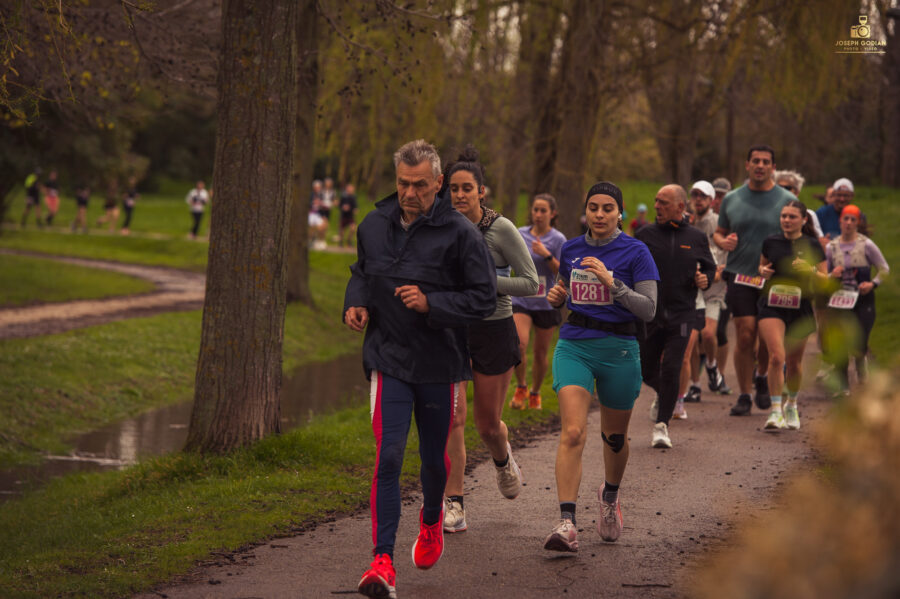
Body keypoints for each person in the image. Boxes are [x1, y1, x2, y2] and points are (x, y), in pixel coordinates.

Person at [344, 139, 497, 599]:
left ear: (438, 184)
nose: (410, 194)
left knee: (433, 459)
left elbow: (484, 298)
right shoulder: (374, 223)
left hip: (438, 362)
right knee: (388, 457)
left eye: (420, 186)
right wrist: (356, 302)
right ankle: (382, 561)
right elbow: (361, 271)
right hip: (388, 358)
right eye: (403, 184)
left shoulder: (460, 234)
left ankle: (432, 519)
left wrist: (433, 303)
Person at [542, 181, 658, 552]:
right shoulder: (571, 248)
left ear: (620, 212)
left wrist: (613, 284)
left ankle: (609, 497)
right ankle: (567, 522)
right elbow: (564, 292)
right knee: (573, 432)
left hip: (619, 348)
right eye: (594, 207)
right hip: (575, 343)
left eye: (608, 208)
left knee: (615, 438)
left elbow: (649, 309)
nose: (600, 214)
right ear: (586, 211)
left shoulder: (636, 251)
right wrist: (556, 297)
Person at [443, 147, 538, 535]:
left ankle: (502, 458)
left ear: (482, 191)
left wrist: (484, 283)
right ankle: (455, 503)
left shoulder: (502, 230)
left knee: (487, 426)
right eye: (453, 188)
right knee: (453, 418)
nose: (460, 195)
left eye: (467, 188)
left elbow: (531, 283)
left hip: (494, 330)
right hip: (450, 330)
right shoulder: (440, 227)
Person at [713, 145, 794, 416]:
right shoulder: (732, 198)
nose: (760, 165)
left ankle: (762, 376)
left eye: (766, 162)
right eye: (755, 161)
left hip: (772, 278)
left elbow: (797, 233)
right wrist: (723, 241)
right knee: (745, 333)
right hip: (740, 274)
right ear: (747, 165)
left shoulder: (785, 198)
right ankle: (745, 394)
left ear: (773, 167)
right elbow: (719, 233)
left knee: (764, 336)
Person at [636, 185, 716, 446]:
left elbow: (709, 268)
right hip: (650, 312)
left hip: (683, 313)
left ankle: (662, 425)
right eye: (656, 201)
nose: (657, 206)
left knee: (671, 366)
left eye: (663, 203)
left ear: (680, 207)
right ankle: (664, 394)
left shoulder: (695, 237)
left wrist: (705, 278)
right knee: (647, 370)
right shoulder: (645, 234)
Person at [757, 200, 826, 430]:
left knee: (795, 363)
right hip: (772, 303)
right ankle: (775, 411)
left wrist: (811, 270)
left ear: (803, 220)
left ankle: (791, 405)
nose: (787, 220)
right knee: (777, 357)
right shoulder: (770, 241)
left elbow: (826, 278)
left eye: (792, 217)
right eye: (784, 216)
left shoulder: (812, 245)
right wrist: (763, 272)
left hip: (801, 306)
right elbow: (762, 268)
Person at [824, 204, 890, 394]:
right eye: (846, 218)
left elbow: (884, 269)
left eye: (853, 219)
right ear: (840, 221)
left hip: (863, 300)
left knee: (859, 341)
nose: (849, 223)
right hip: (839, 300)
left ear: (858, 223)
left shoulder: (866, 245)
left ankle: (861, 363)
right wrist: (831, 275)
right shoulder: (831, 247)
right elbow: (822, 274)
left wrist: (872, 284)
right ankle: (842, 384)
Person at [510, 193, 567, 410]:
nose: (538, 214)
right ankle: (521, 387)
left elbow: (563, 272)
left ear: (552, 214)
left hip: (546, 302)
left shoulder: (558, 239)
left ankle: (535, 393)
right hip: (522, 298)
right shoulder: (519, 234)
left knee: (541, 353)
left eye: (543, 211)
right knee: (519, 343)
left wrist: (546, 254)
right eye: (535, 210)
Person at [690, 180, 732, 397]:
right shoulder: (686, 223)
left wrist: (715, 275)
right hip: (691, 289)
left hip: (715, 288)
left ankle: (713, 366)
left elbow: (725, 257)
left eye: (702, 196)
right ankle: (695, 385)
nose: (698, 200)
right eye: (694, 195)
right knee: (691, 338)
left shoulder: (718, 224)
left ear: (710, 200)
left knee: (709, 334)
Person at [338, 182, 359, 247]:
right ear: (347, 189)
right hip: (343, 215)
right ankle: (341, 242)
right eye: (349, 188)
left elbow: (355, 206)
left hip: (350, 216)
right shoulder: (343, 196)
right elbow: (340, 205)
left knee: (353, 228)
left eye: (352, 189)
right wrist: (343, 207)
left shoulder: (354, 197)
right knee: (342, 230)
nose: (350, 190)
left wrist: (355, 209)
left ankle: (349, 241)